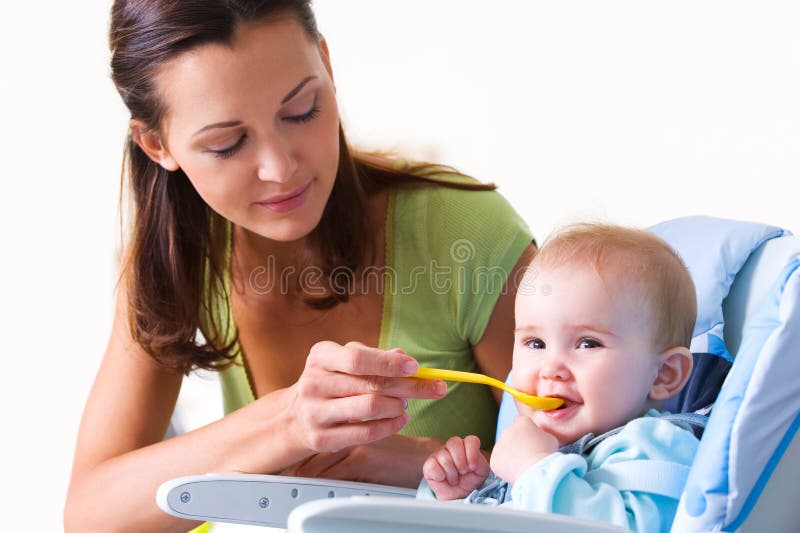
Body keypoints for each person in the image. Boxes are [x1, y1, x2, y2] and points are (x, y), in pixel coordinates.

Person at [64, 1, 535, 531]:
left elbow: (595, 475)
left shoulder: (462, 234)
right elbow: (92, 516)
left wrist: (422, 466)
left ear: (326, 65)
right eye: (226, 144)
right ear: (156, 144)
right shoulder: (177, 258)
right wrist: (287, 425)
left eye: (302, 111)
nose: (280, 167)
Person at [421, 224, 702, 532]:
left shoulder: (656, 447)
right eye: (535, 344)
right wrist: (465, 496)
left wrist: (533, 468)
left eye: (588, 343)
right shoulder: (533, 450)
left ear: (663, 374)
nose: (551, 368)